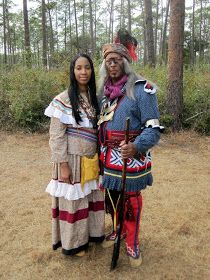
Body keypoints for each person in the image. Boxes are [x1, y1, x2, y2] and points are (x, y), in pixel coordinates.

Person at [97, 30, 163, 267]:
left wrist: (135, 146)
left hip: (131, 156)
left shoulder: (142, 89)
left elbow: (154, 129)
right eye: (108, 61)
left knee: (131, 199)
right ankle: (117, 230)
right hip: (109, 158)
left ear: (125, 62)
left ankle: (132, 240)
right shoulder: (104, 94)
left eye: (116, 60)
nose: (112, 65)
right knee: (112, 197)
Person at [44, 54, 105, 257]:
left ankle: (92, 236)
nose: (83, 72)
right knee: (74, 203)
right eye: (78, 68)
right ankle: (74, 243)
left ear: (92, 71)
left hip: (90, 160)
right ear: (73, 71)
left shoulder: (95, 99)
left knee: (90, 199)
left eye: (87, 67)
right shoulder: (62, 99)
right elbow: (56, 135)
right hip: (71, 160)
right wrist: (62, 164)